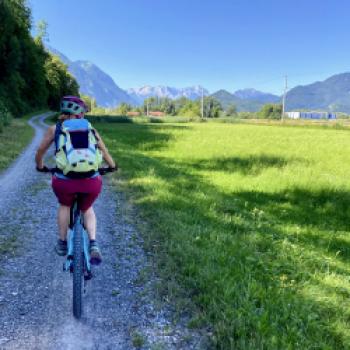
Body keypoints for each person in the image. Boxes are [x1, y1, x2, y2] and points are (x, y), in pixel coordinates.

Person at [35, 96, 116, 264]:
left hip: (65, 182)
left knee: (65, 205)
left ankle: (62, 243)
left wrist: (40, 166)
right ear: (80, 113)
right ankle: (93, 243)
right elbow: (104, 151)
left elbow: (40, 152)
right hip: (91, 182)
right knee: (87, 208)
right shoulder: (90, 128)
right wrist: (112, 166)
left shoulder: (55, 129)